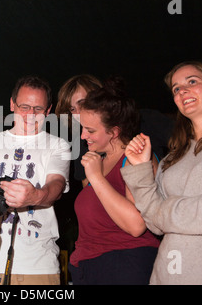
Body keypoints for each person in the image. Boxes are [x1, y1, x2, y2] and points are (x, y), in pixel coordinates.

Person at [122, 61, 202, 284]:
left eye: (192, 81)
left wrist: (166, 211)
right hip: (167, 275)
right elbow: (153, 222)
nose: (182, 90)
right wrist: (142, 168)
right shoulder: (173, 157)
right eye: (176, 88)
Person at [0, 76, 70, 285]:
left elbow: (56, 185)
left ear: (48, 111)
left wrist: (34, 195)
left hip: (37, 266)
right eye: (24, 107)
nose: (30, 114)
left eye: (38, 109)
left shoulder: (58, 145)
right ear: (12, 104)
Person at [68, 83, 160, 285]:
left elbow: (136, 225)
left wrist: (97, 178)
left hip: (123, 264)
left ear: (114, 132)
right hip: (88, 267)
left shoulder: (135, 156)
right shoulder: (98, 161)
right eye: (83, 128)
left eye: (90, 130)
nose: (83, 136)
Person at [56, 74, 103, 188]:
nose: (78, 113)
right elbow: (87, 193)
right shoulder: (81, 143)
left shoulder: (136, 132)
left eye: (82, 104)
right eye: (72, 109)